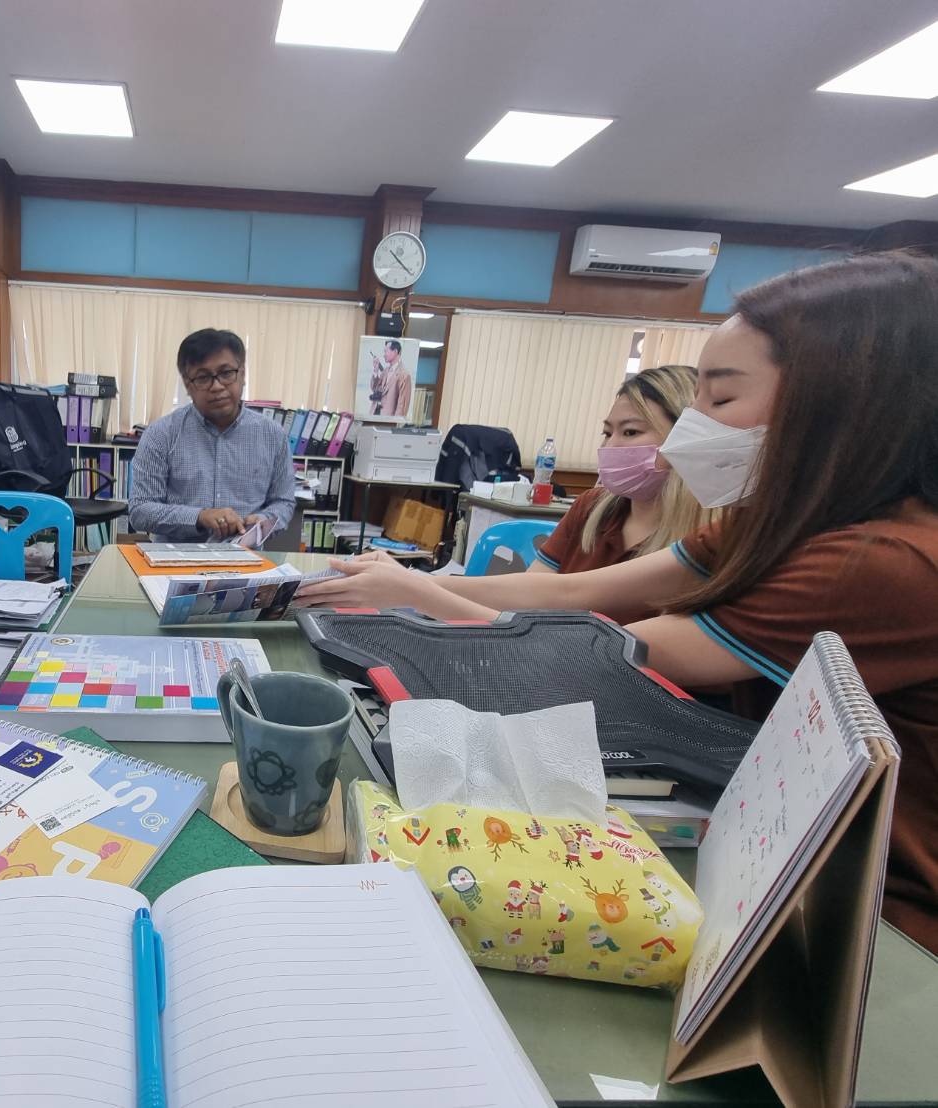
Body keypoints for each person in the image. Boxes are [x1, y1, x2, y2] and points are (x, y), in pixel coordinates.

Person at [298, 251, 938, 953]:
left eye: (721, 400)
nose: (693, 430)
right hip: (756, 832)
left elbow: (615, 657)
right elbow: (574, 591)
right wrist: (415, 583)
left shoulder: (881, 563)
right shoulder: (781, 521)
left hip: (870, 909)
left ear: (842, 407)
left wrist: (419, 590)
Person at [532, 363, 714, 583]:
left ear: (686, 438)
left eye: (630, 432)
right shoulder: (590, 507)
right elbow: (529, 589)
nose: (609, 446)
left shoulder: (714, 537)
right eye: (607, 433)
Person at [127, 328, 295, 542]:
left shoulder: (273, 435)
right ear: (187, 384)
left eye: (226, 373)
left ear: (242, 375)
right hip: (173, 557)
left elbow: (283, 502)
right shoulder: (161, 434)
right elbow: (140, 510)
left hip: (245, 556)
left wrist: (265, 520)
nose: (216, 386)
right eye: (203, 377)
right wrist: (199, 517)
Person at [369, 339, 413, 417]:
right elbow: (375, 388)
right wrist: (376, 370)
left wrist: (394, 422)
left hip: (388, 419)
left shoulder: (405, 375)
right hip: (375, 414)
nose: (384, 355)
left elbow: (402, 406)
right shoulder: (385, 371)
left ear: (395, 351)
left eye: (386, 351)